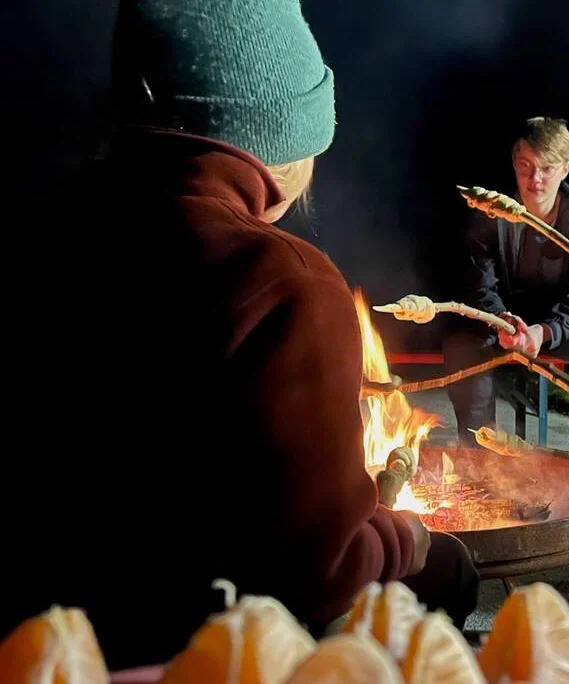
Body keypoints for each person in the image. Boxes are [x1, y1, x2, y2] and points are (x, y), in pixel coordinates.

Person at [2, 0, 477, 668]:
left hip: (41, 629)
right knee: (449, 570)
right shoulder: (284, 280)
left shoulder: (45, 230)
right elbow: (320, 572)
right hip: (182, 640)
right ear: (279, 133)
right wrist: (406, 541)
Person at [443, 118, 569, 454]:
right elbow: (478, 283)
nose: (536, 179)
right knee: (461, 345)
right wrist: (501, 320)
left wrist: (544, 331)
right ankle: (478, 458)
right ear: (515, 164)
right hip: (505, 324)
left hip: (561, 327)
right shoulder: (491, 214)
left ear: (565, 169)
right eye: (526, 166)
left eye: (547, 167)